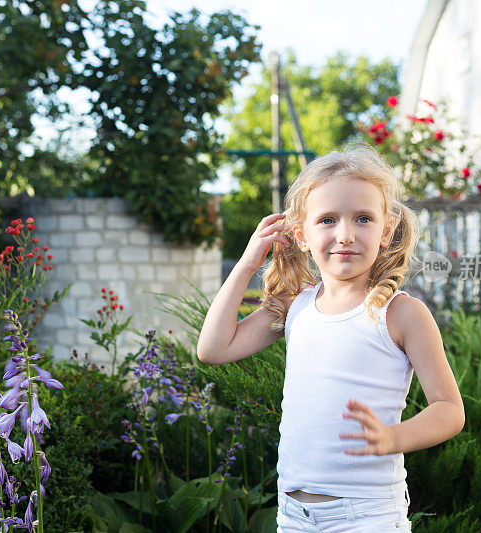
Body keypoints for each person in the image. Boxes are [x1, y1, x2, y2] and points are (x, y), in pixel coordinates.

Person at [196, 143, 465, 532]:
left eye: (362, 219)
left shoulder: (401, 313)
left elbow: (450, 410)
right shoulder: (294, 306)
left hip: (367, 516)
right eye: (326, 220)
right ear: (301, 234)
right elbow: (213, 349)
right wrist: (248, 262)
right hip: (293, 516)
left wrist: (394, 437)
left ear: (386, 229)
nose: (344, 235)